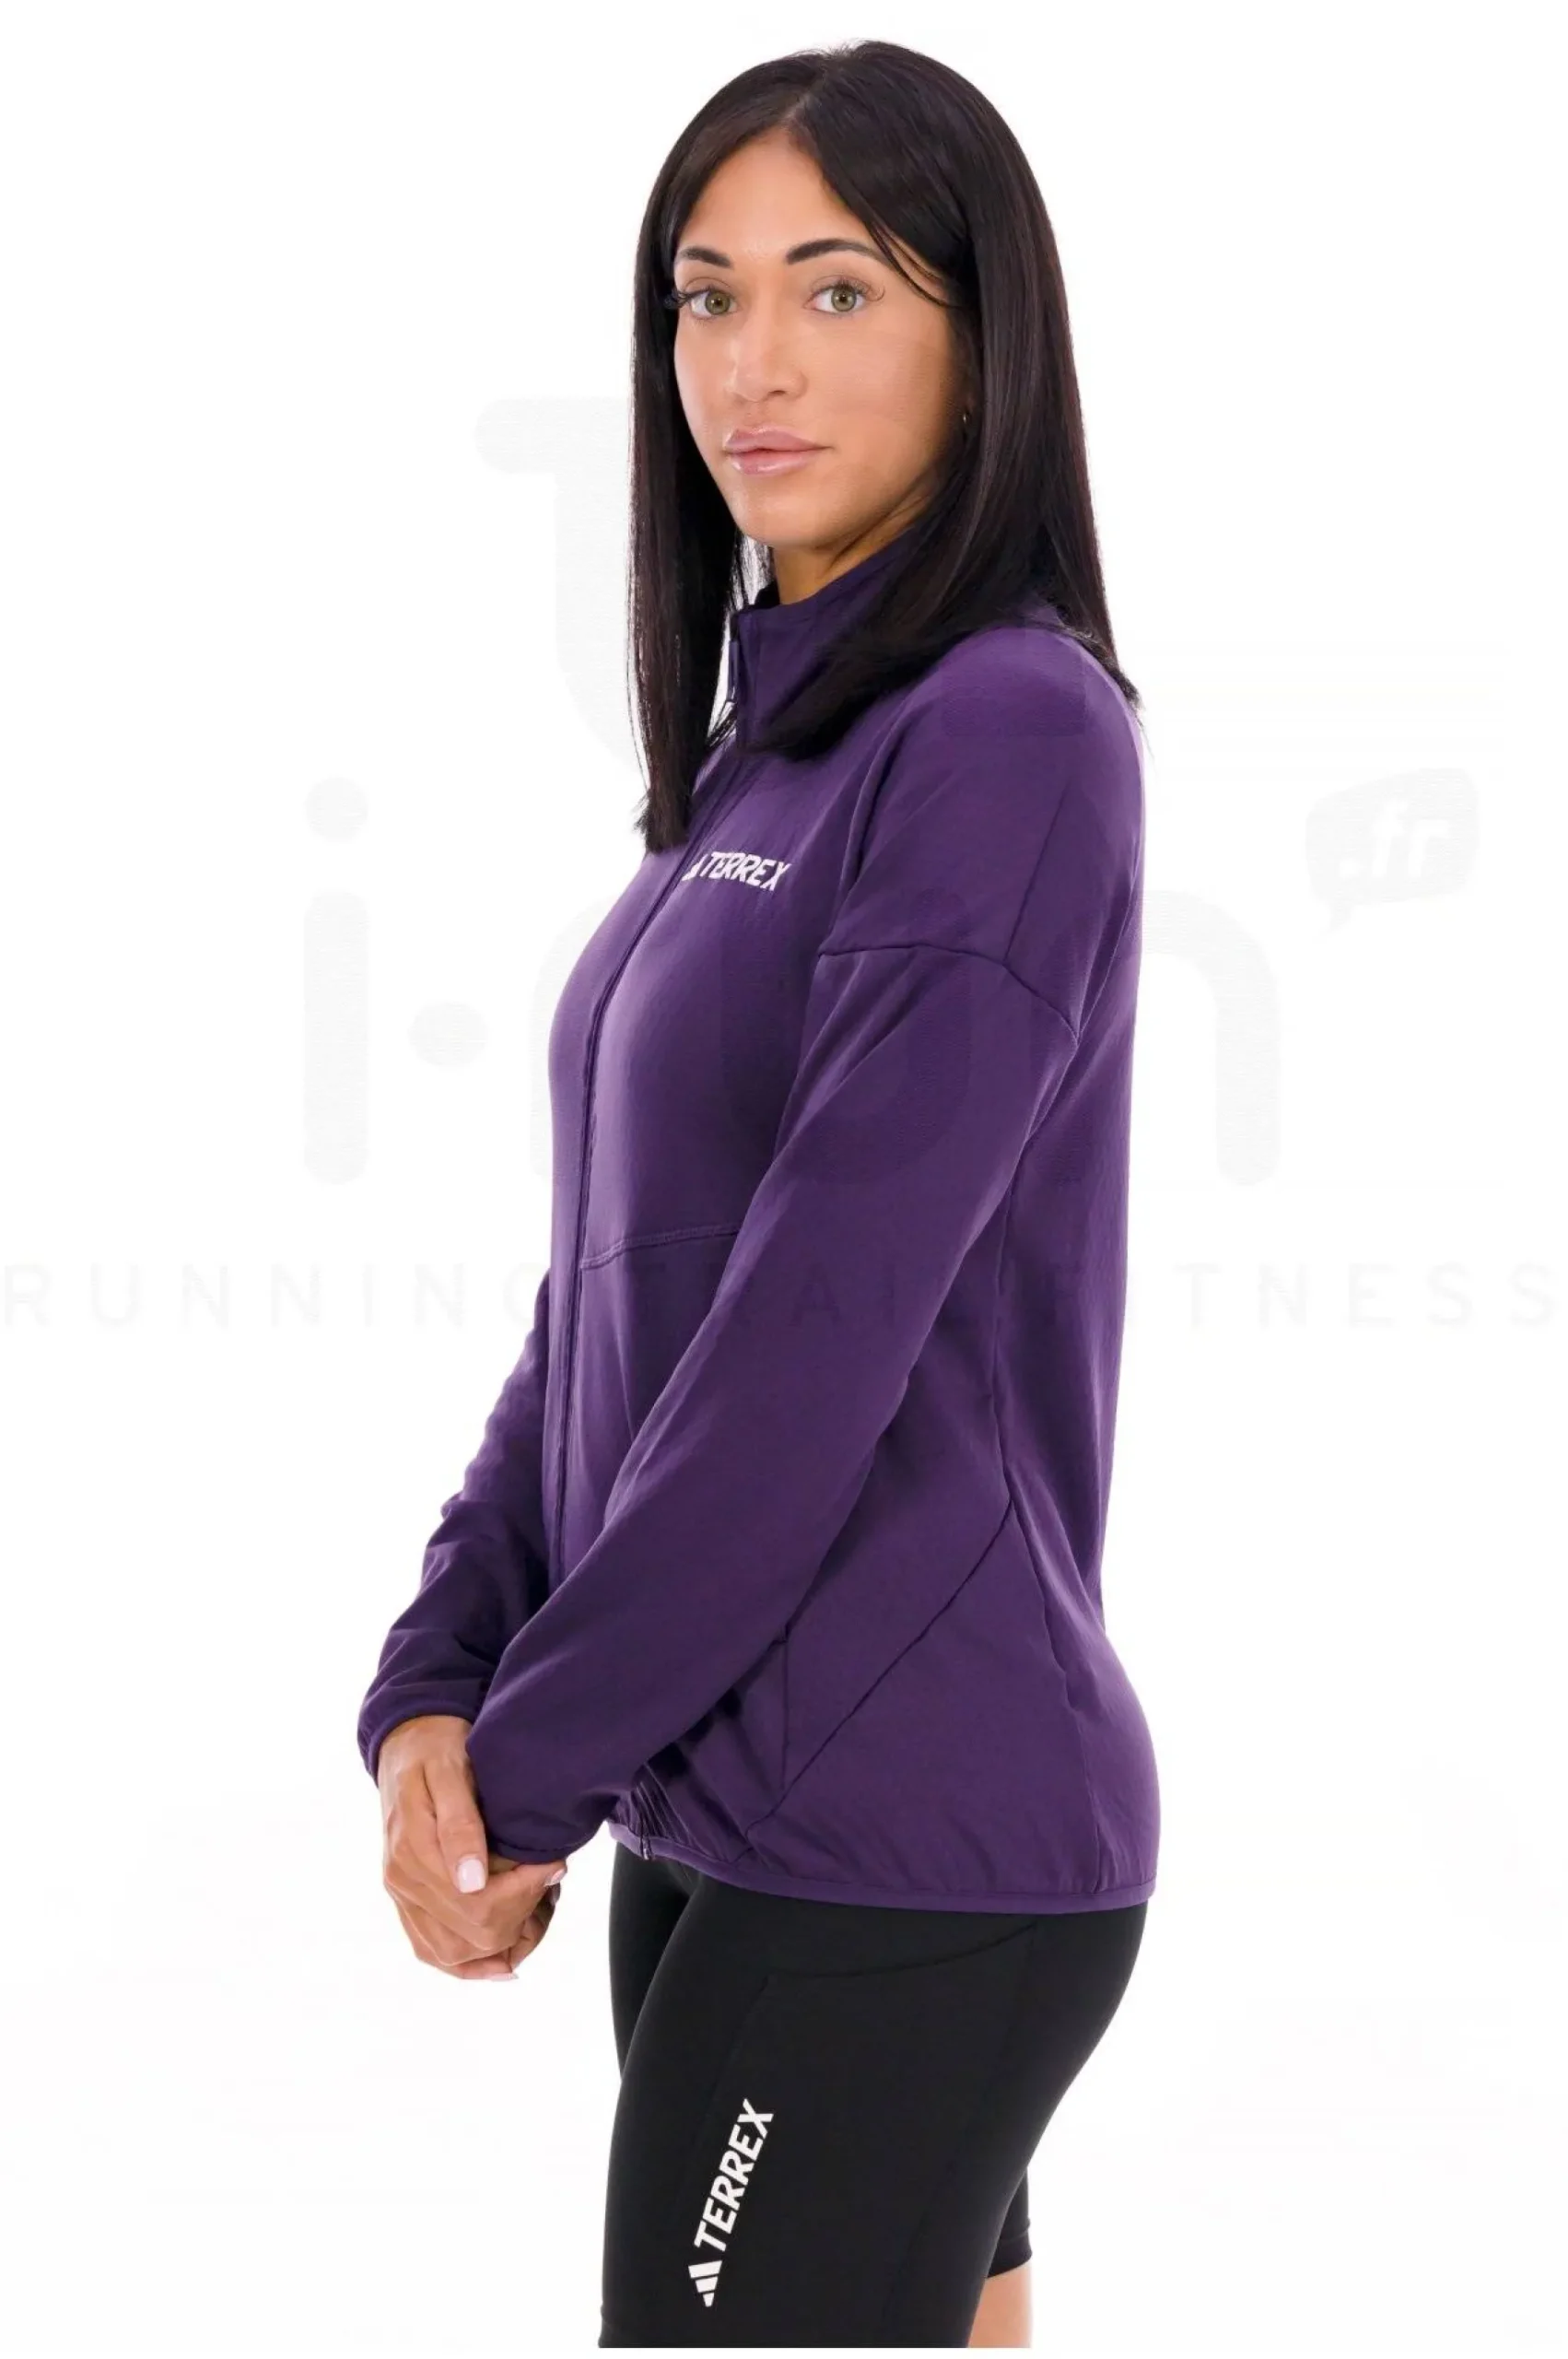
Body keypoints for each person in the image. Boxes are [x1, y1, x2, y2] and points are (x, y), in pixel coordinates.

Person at [357, 38, 1160, 2349]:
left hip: (900, 1832)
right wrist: (437, 1679)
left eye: (836, 288)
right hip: (730, 1817)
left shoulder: (1005, 728)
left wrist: (520, 1763)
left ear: (981, 338)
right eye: (705, 297)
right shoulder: (765, 759)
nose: (752, 362)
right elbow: (614, 1291)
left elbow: (813, 1330)